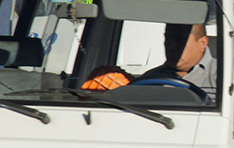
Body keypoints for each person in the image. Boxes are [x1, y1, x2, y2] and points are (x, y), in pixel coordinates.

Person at [81, 23, 216, 98]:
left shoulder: (227, 78)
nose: (172, 46)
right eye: (168, 39)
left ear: (202, 43)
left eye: (180, 41)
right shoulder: (149, 78)